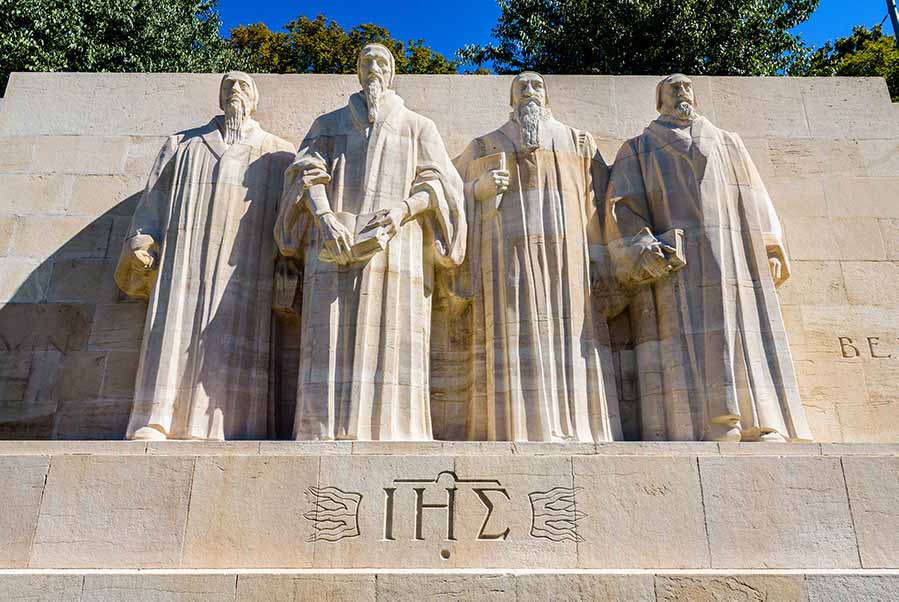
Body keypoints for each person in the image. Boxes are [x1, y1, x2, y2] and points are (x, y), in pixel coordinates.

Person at [604, 73, 812, 442]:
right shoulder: (639, 147)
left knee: (745, 331)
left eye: (686, 86)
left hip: (736, 257)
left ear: (695, 97)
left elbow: (755, 195)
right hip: (677, 265)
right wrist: (645, 248)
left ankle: (761, 421)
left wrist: (769, 245)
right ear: (660, 100)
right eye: (672, 87)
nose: (681, 91)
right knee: (686, 338)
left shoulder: (728, 142)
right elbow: (623, 205)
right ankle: (710, 426)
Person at [273, 44, 466, 441]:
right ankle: (320, 431)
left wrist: (402, 210)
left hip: (398, 246)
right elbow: (306, 172)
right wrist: (325, 217)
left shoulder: (418, 126)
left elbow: (440, 184)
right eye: (366, 62)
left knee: (394, 340)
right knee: (327, 338)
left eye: (381, 62)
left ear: (392, 73)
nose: (373, 68)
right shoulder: (328, 124)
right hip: (333, 243)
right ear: (358, 72)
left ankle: (396, 431)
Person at [116, 72, 295, 441]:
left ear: (255, 99)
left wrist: (287, 266)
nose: (235, 90)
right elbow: (154, 201)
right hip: (183, 260)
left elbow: (289, 222)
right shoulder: (183, 145)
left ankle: (233, 426)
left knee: (237, 337)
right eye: (228, 85)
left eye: (244, 85)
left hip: (245, 266)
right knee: (172, 330)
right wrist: (142, 239)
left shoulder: (278, 153)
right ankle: (156, 420)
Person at [454, 72, 621, 443]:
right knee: (515, 331)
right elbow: (447, 188)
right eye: (521, 87)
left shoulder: (578, 142)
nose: (529, 91)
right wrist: (477, 189)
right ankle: (517, 427)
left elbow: (598, 206)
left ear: (546, 97)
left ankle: (576, 425)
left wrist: (599, 256)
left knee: (573, 334)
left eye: (536, 86)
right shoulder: (485, 145)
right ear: (511, 101)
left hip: (568, 259)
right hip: (507, 256)